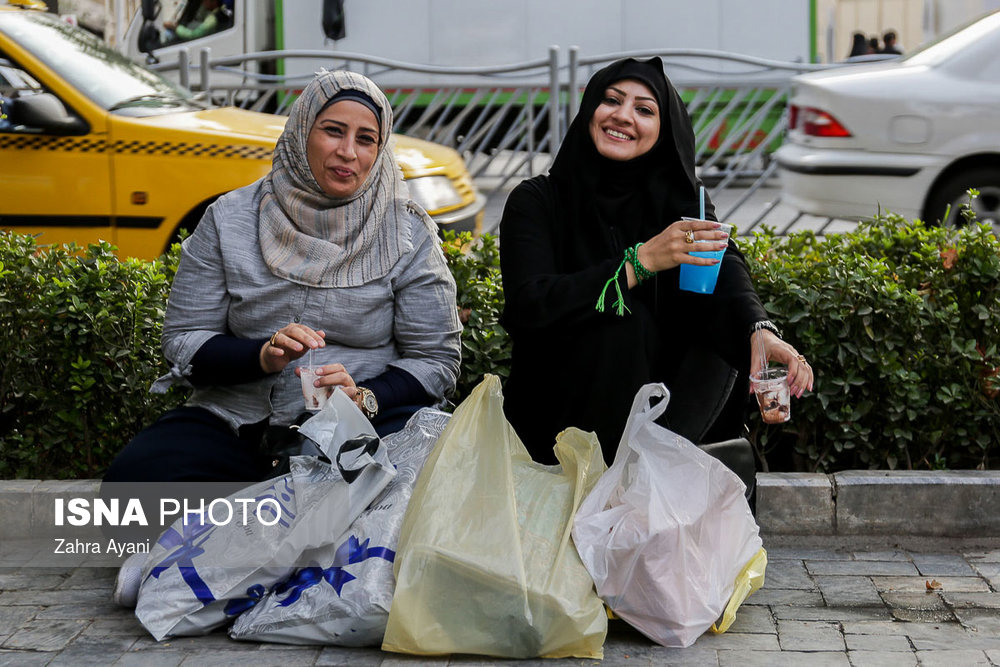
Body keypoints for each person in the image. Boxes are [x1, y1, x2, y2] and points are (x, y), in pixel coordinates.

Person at [103, 69, 462, 485]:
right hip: (238, 419)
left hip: (362, 422)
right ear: (301, 132)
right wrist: (261, 356)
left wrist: (366, 396)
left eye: (366, 139)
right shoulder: (230, 219)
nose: (348, 151)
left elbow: (435, 358)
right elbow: (184, 338)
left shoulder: (405, 231)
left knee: (405, 480)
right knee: (136, 481)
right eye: (333, 131)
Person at [499, 57, 813, 465]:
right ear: (590, 109)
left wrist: (760, 330)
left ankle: (679, 467)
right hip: (556, 429)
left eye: (644, 109)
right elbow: (531, 305)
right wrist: (641, 260)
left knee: (714, 333)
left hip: (667, 427)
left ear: (664, 130)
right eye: (611, 100)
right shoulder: (537, 201)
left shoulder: (679, 201)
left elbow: (723, 266)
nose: (623, 116)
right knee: (622, 327)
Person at [163, 0, 228, 43]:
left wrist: (175, 27)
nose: (202, 2)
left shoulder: (212, 20)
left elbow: (193, 35)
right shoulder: (220, 9)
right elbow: (200, 15)